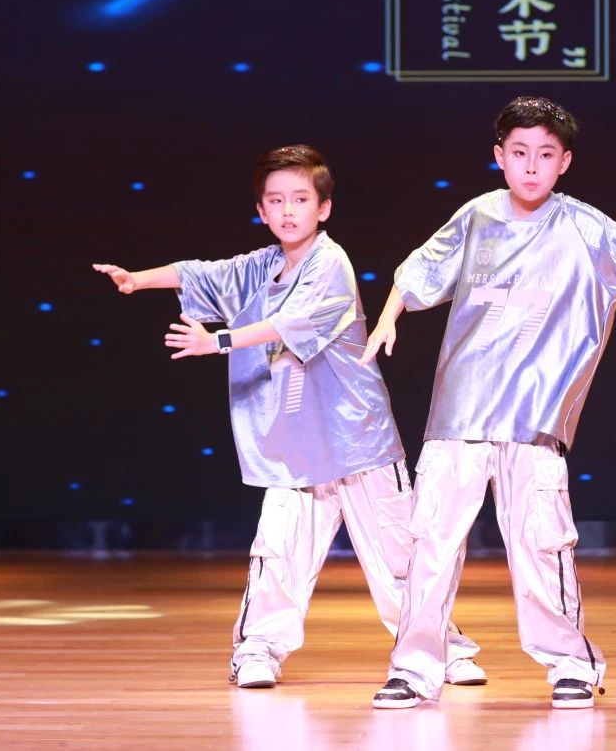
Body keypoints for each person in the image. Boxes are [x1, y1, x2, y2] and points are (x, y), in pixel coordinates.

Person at [92, 144, 484, 690]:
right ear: (261, 210)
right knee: (277, 553)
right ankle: (258, 650)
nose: (287, 210)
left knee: (401, 554)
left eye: (300, 199)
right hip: (294, 443)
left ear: (323, 207)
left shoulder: (331, 263)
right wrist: (138, 279)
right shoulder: (262, 266)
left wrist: (218, 341)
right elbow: (201, 274)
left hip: (358, 438)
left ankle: (441, 646)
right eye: (275, 200)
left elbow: (289, 323)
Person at [359, 98, 616, 709]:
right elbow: (417, 271)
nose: (531, 167)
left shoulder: (582, 225)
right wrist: (386, 320)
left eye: (544, 155)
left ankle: (570, 664)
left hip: (534, 416)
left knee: (541, 543)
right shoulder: (477, 215)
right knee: (431, 543)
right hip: (460, 410)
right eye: (519, 153)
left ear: (564, 162)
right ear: (499, 156)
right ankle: (415, 668)